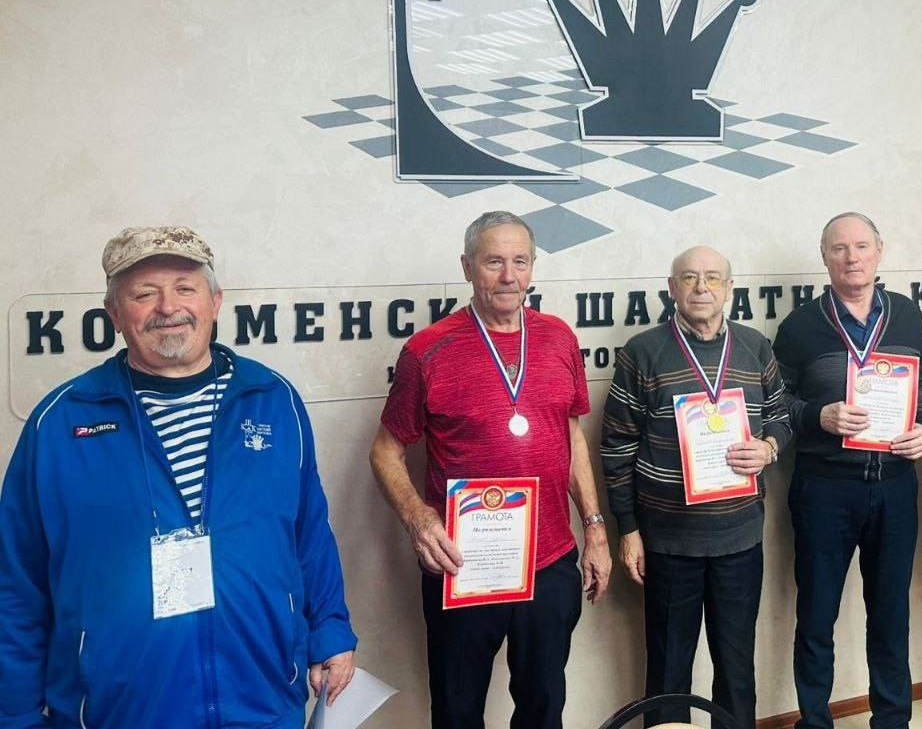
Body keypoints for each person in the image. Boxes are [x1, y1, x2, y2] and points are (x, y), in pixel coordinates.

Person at [0, 226, 357, 729]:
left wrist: (331, 631)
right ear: (114, 314)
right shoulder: (60, 422)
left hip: (263, 699)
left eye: (185, 288)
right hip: (118, 713)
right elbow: (16, 581)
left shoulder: (273, 400)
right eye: (144, 294)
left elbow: (309, 533)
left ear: (215, 302)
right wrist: (15, 714)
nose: (168, 306)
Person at [369, 210, 612, 729]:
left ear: (532, 268)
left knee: (544, 706)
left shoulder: (559, 338)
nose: (508, 276)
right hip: (463, 564)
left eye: (520, 262)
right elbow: (385, 452)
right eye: (493, 262)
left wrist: (594, 529)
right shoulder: (427, 351)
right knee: (457, 712)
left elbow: (571, 437)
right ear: (467, 267)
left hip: (549, 562)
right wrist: (417, 517)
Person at [601, 246, 793, 729]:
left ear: (730, 288)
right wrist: (628, 530)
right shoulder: (643, 351)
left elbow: (782, 416)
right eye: (689, 277)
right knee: (669, 674)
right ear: (672, 288)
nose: (701, 287)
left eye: (712, 278)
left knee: (737, 669)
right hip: (668, 543)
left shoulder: (755, 347)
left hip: (739, 540)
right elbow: (617, 446)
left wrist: (769, 447)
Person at [772, 212, 922, 729]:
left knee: (890, 614)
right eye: (840, 248)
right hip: (824, 489)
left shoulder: (906, 314)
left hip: (894, 487)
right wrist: (816, 416)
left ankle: (892, 721)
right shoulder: (799, 326)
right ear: (824, 257)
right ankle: (814, 722)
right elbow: (774, 401)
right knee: (816, 615)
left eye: (862, 246)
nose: (852, 258)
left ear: (879, 251)